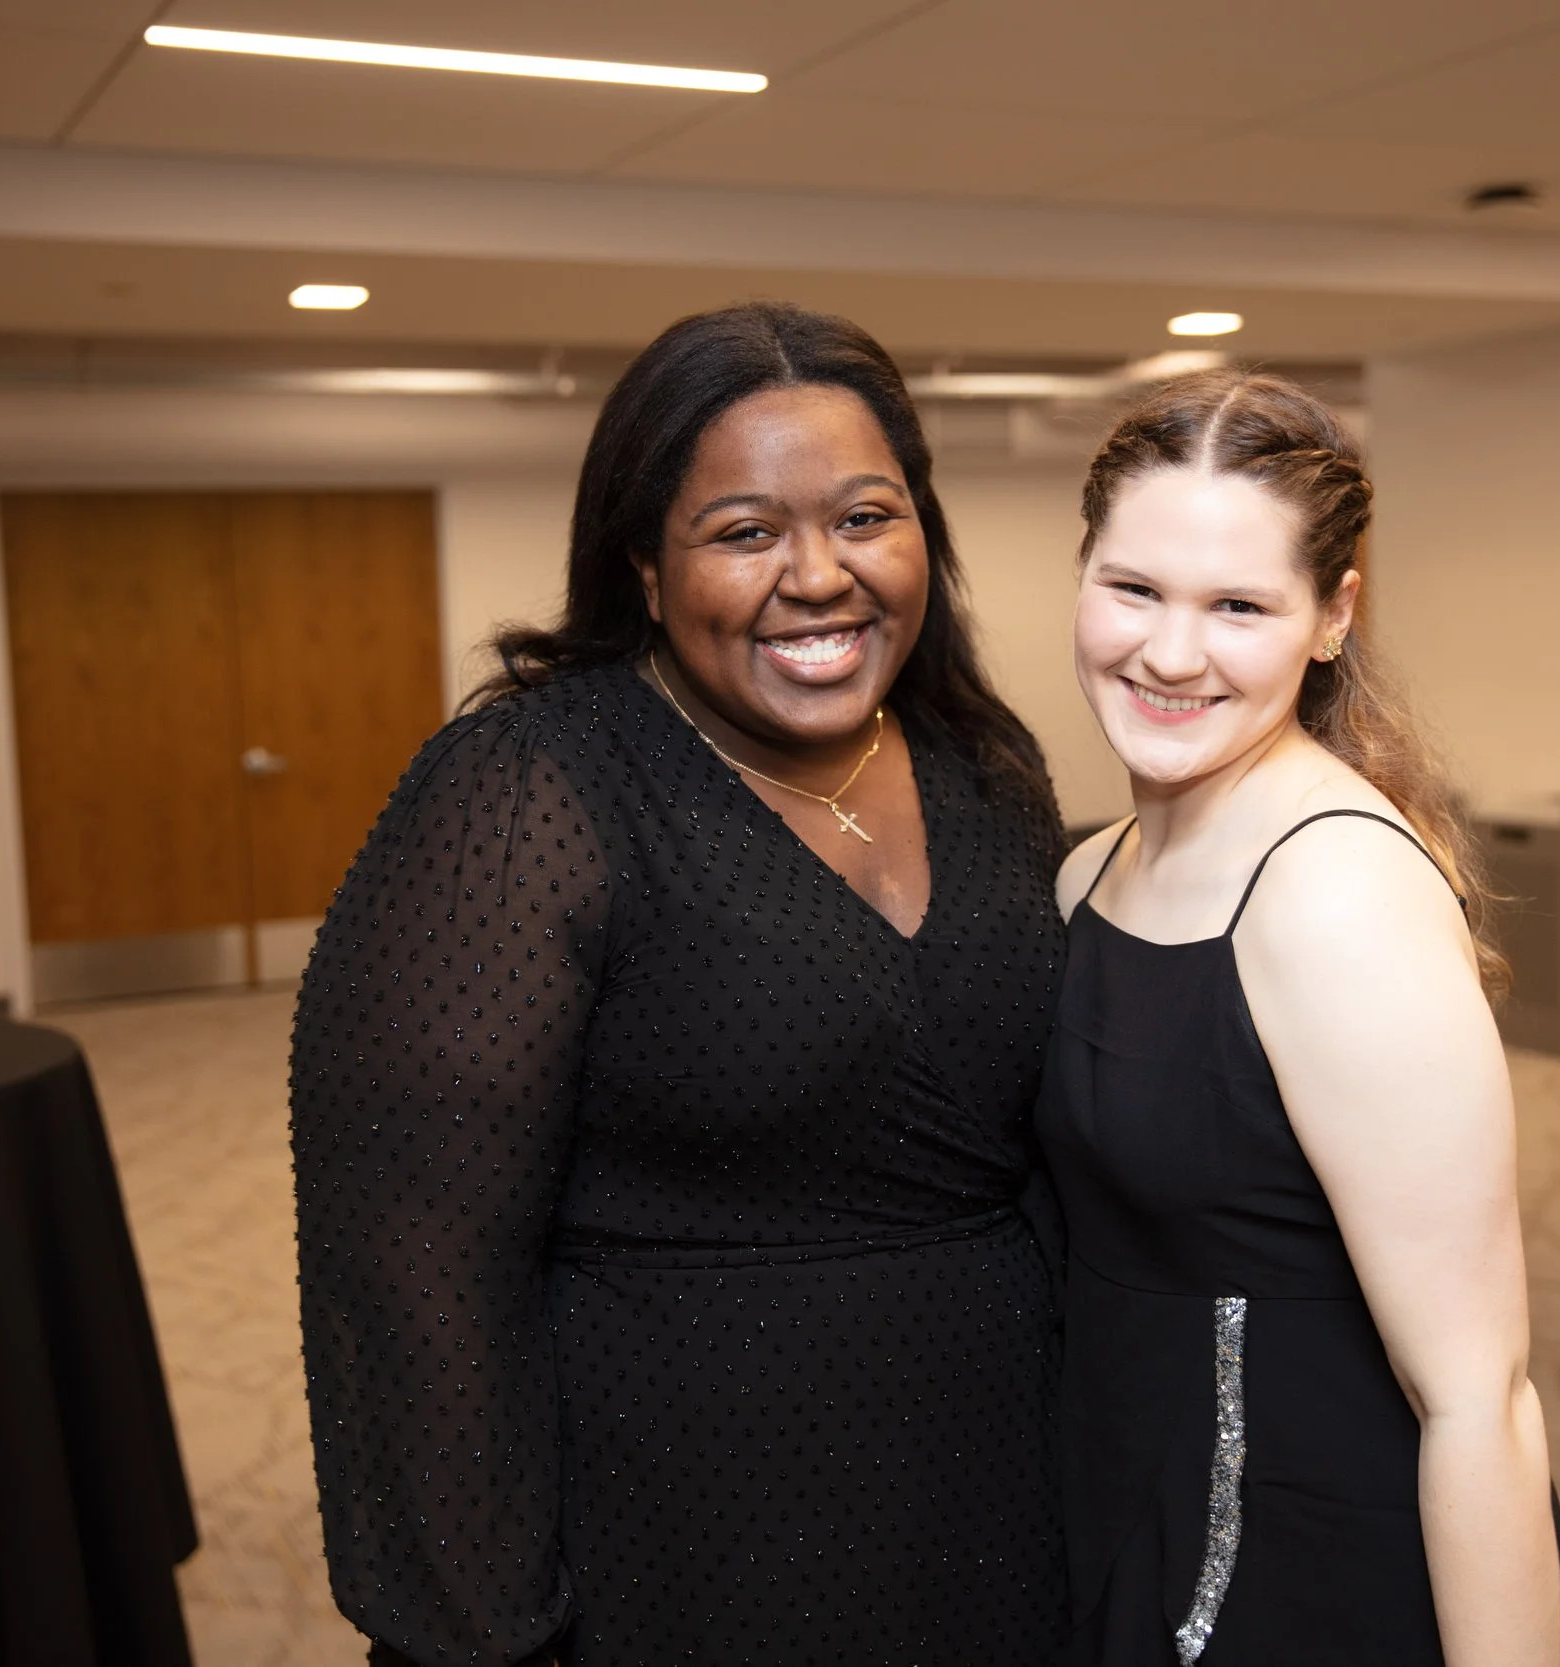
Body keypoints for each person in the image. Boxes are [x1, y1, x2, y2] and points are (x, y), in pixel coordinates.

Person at [289, 302, 1072, 1667]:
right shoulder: (536, 789)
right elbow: (413, 1266)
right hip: (686, 1530)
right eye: (746, 531)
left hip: (999, 1494)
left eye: (866, 518)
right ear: (645, 567)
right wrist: (480, 1629)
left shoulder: (987, 773)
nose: (819, 574)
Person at [1037, 369, 1560, 1665]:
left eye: (1238, 606)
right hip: (1124, 1513)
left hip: (1301, 1574)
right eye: (1135, 589)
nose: (1171, 652)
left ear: (1331, 617)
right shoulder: (1088, 870)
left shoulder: (1336, 896)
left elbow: (1479, 1396)